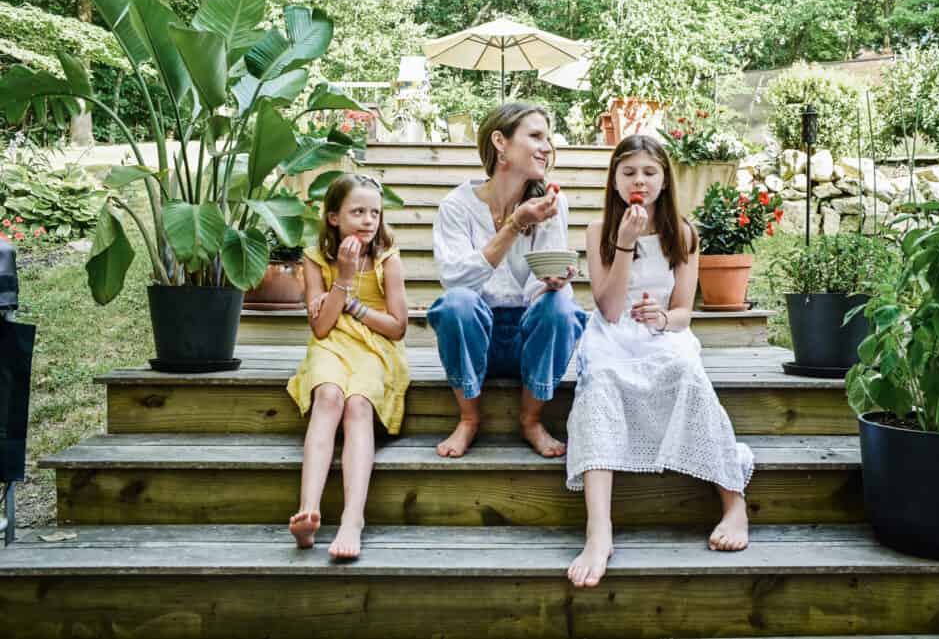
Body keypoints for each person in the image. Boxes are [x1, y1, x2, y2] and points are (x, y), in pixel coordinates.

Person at [566, 135, 754, 588]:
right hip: (613, 334)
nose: (639, 180)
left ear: (664, 179)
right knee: (601, 385)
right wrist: (626, 244)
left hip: (664, 333)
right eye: (629, 172)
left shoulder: (683, 232)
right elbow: (608, 310)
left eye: (649, 172)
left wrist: (663, 316)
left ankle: (734, 504)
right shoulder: (598, 232)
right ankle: (599, 529)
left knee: (688, 375)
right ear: (613, 180)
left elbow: (685, 310)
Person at [428, 103, 587, 459]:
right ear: (500, 142)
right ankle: (469, 418)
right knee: (456, 304)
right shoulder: (456, 206)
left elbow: (541, 288)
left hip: (529, 337)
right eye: (535, 136)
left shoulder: (550, 204)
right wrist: (514, 226)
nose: (547, 147)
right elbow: (457, 280)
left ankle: (531, 420)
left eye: (548, 137)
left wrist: (553, 282)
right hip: (477, 337)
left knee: (561, 306)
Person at [286, 174, 410, 559]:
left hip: (375, 349)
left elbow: (398, 327)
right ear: (334, 217)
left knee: (357, 405)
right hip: (332, 345)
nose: (369, 220)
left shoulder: (387, 260)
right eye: (358, 212)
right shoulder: (314, 259)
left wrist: (355, 306)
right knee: (328, 396)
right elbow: (321, 327)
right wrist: (342, 277)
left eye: (375, 212)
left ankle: (352, 519)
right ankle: (308, 511)